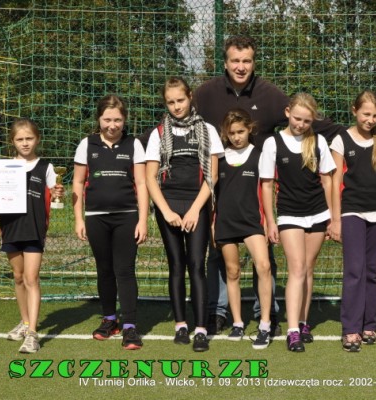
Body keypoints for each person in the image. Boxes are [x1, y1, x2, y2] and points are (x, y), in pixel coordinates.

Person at [192, 35, 344, 336]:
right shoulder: (206, 94)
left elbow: (307, 121)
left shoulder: (270, 95)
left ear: (253, 62)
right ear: (226, 62)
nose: (241, 66)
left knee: (264, 255)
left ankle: (266, 312)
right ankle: (218, 311)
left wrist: (351, 133)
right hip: (222, 186)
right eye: (235, 60)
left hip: (258, 188)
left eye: (246, 61)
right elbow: (180, 118)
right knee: (220, 254)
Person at [145, 77, 224, 352]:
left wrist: (194, 210)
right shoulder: (158, 133)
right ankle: (181, 325)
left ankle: (201, 329)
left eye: (180, 100)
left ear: (190, 97)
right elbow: (150, 178)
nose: (176, 106)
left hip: (196, 206)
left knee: (197, 265)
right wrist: (166, 211)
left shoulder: (208, 130)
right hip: (168, 207)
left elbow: (212, 176)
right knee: (176, 266)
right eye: (171, 102)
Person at [260, 93, 335, 352]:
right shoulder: (273, 143)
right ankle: (292, 331)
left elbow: (327, 181)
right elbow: (266, 185)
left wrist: (332, 217)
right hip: (289, 213)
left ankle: (303, 322)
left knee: (308, 268)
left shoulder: (319, 142)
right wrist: (270, 221)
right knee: (297, 268)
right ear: (287, 112)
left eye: (306, 121)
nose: (301, 124)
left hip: (318, 213)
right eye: (297, 118)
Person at [0, 118, 64, 353]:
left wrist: (58, 192)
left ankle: (32, 334)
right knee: (18, 277)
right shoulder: (3, 168)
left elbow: (55, 196)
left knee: (31, 278)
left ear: (37, 139)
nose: (25, 143)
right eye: (20, 139)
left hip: (34, 230)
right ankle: (25, 322)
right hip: (10, 228)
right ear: (13, 142)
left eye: (29, 138)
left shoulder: (46, 167)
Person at [72, 94, 148, 350]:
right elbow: (78, 182)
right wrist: (78, 218)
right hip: (96, 218)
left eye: (117, 120)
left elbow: (141, 183)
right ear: (99, 119)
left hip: (127, 217)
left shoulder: (134, 144)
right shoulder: (87, 144)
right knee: (104, 270)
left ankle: (130, 327)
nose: (112, 125)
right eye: (107, 120)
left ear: (124, 120)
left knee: (124, 270)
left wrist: (143, 220)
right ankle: (109, 320)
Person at [329, 90, 376, 352]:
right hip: (352, 212)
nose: (370, 120)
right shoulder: (340, 140)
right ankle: (351, 329)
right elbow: (335, 181)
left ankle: (369, 324)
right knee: (354, 270)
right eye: (366, 114)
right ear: (354, 110)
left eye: (375, 116)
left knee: (373, 271)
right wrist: (335, 218)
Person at [214, 108, 273, 349]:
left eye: (240, 131)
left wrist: (268, 221)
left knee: (264, 266)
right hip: (225, 222)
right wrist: (212, 222)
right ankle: (237, 323)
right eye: (232, 133)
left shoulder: (259, 155)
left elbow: (268, 190)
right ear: (225, 134)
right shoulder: (218, 157)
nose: (236, 137)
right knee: (232, 271)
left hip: (252, 222)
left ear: (249, 129)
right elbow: (212, 192)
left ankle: (265, 324)